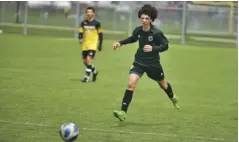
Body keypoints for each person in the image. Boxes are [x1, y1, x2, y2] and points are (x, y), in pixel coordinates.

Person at [112, 4, 180, 122]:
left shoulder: (156, 33)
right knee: (131, 83)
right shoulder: (138, 30)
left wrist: (153, 48)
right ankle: (123, 112)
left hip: (153, 64)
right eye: (142, 18)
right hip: (139, 62)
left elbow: (165, 45)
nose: (144, 20)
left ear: (151, 19)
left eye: (146, 18)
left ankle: (173, 97)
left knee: (163, 85)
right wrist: (120, 42)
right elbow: (133, 38)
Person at [78, 7, 103, 83]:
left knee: (89, 60)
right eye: (87, 12)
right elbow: (80, 32)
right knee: (85, 62)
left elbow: (100, 35)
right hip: (85, 45)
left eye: (90, 12)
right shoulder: (83, 23)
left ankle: (86, 78)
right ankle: (94, 72)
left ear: (93, 13)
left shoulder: (97, 24)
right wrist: (80, 38)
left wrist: (100, 45)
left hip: (93, 45)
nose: (88, 13)